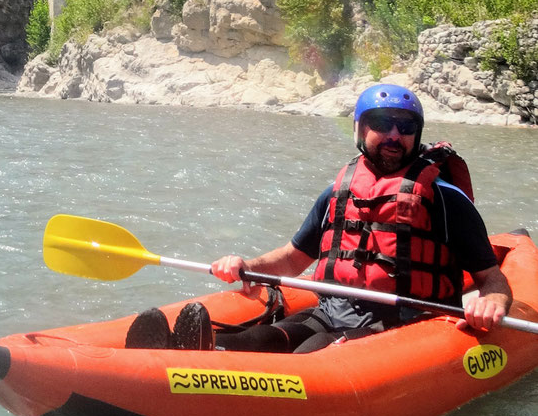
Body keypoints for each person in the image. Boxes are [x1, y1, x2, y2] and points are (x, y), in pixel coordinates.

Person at [127, 83, 511, 354]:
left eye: (406, 126)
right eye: (381, 122)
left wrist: (491, 303)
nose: (394, 134)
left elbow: (490, 279)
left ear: (417, 134)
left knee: (306, 357)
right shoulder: (338, 193)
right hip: (331, 311)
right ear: (360, 129)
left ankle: (201, 376)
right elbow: (294, 258)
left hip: (400, 325)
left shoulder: (445, 199)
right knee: (271, 337)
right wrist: (247, 265)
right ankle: (184, 356)